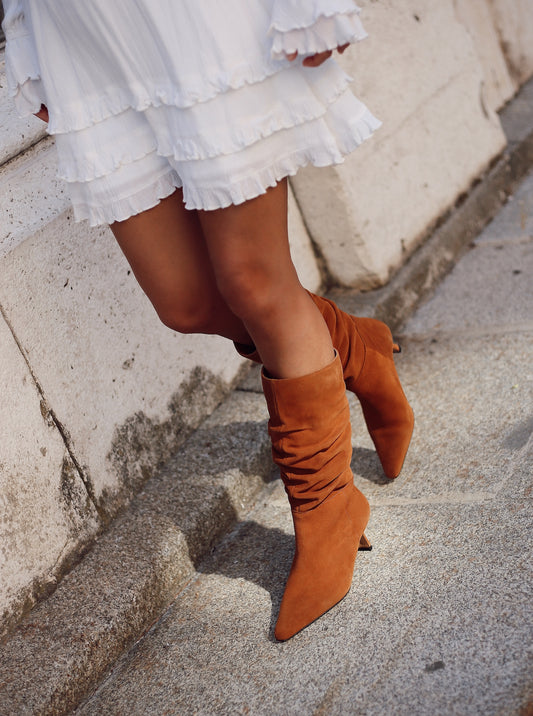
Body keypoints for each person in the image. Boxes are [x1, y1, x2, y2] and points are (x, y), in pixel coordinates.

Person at [2, 0, 414, 641]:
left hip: (195, 23)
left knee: (254, 279)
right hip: (86, 36)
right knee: (185, 303)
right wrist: (28, 45)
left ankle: (326, 507)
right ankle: (352, 346)